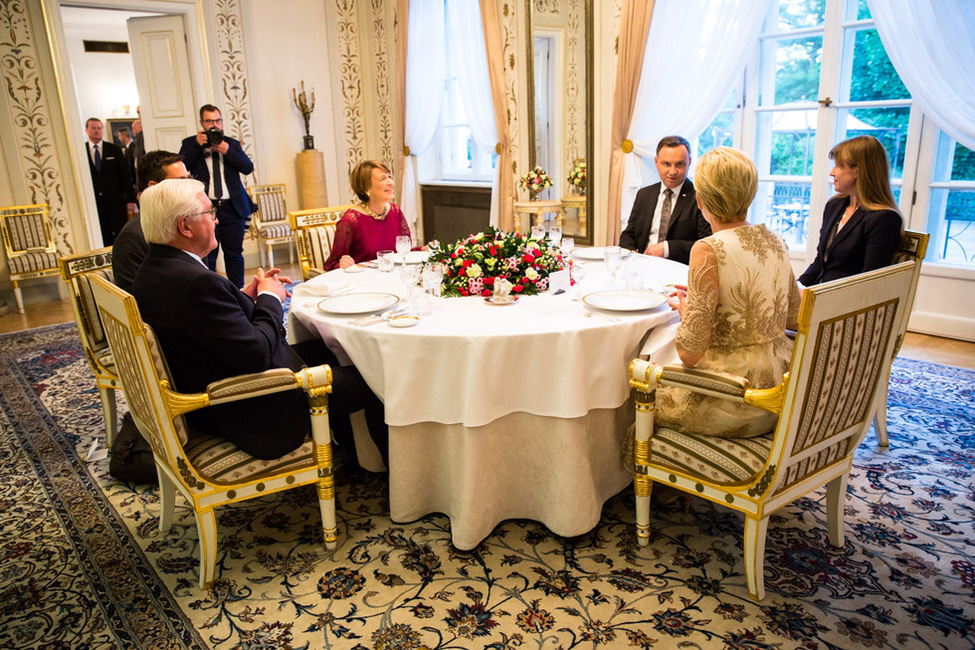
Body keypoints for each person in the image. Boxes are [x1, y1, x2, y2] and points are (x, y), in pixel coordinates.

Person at [132, 178, 389, 470]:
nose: (216, 221)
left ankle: (353, 454)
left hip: (220, 377)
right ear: (185, 226)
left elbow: (203, 324)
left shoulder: (153, 270)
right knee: (375, 374)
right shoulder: (196, 282)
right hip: (255, 402)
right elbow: (256, 354)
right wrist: (270, 298)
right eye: (209, 213)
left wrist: (243, 298)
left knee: (340, 348)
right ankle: (388, 471)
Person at [660, 147, 800, 438]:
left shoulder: (708, 248)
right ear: (750, 194)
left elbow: (689, 353)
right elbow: (794, 318)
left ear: (699, 200)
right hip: (782, 394)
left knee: (638, 378)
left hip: (734, 399)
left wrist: (687, 309)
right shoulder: (774, 239)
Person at [798, 135, 903, 286]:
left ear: (858, 171)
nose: (832, 172)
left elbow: (868, 282)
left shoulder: (884, 219)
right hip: (819, 294)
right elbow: (821, 262)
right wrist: (798, 286)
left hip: (846, 303)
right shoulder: (834, 205)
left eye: (839, 166)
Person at [179, 104, 257, 288]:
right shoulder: (190, 144)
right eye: (210, 121)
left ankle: (238, 292)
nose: (215, 125)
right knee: (207, 255)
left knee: (234, 253)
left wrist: (227, 150)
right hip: (205, 209)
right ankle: (210, 291)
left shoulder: (231, 143)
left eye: (218, 120)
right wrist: (198, 147)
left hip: (232, 207)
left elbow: (247, 168)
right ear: (201, 123)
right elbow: (182, 167)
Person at [620, 135, 712, 264]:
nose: (673, 171)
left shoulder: (700, 197)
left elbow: (707, 244)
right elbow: (628, 235)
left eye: (679, 164)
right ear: (656, 162)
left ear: (689, 162)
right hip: (642, 267)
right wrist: (631, 253)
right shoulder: (644, 194)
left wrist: (668, 248)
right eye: (666, 164)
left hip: (679, 271)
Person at [113, 150, 190, 292]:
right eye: (180, 181)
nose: (188, 187)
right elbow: (139, 301)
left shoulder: (188, 222)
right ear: (154, 186)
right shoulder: (132, 238)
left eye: (188, 179)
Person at [323, 160, 412, 271]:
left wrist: (423, 249)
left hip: (393, 278)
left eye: (389, 177)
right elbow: (331, 264)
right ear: (366, 188)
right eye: (383, 179)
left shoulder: (395, 211)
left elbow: (403, 252)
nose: (390, 183)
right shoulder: (350, 220)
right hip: (364, 283)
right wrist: (342, 264)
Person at [85, 117, 136, 245]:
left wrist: (130, 199)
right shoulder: (82, 150)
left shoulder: (114, 149)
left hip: (116, 202)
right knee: (103, 235)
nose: (97, 131)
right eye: (93, 128)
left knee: (122, 235)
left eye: (99, 128)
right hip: (95, 203)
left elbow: (124, 175)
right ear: (87, 130)